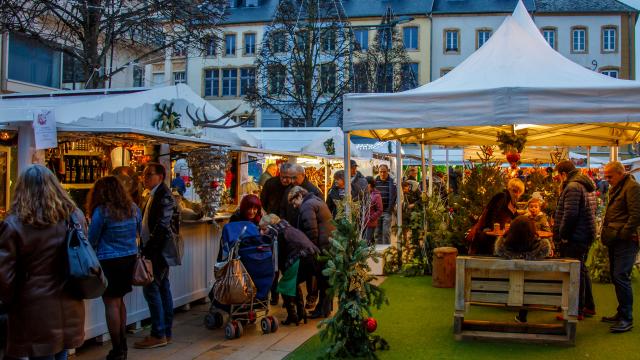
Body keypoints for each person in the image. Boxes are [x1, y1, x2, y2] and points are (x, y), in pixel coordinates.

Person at [0, 165, 85, 360]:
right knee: (60, 354)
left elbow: (4, 278)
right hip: (69, 304)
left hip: (34, 310)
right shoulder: (73, 217)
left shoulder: (14, 225)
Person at [87, 176, 141, 360]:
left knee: (111, 303)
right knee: (120, 302)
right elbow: (138, 231)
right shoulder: (133, 208)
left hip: (109, 260)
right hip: (128, 258)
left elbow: (92, 238)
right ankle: (123, 344)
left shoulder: (102, 211)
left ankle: (117, 349)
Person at [135, 163, 179, 349]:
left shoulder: (164, 196)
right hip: (157, 250)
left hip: (158, 252)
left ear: (160, 176)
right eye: (144, 175)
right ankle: (164, 332)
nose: (145, 178)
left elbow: (162, 227)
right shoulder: (154, 195)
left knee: (153, 289)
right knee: (161, 288)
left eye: (149, 175)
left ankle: (159, 333)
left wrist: (149, 250)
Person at [553, 160, 597, 321]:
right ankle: (588, 306)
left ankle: (575, 310)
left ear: (564, 174)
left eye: (558, 175)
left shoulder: (572, 187)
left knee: (574, 274)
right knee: (582, 270)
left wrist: (563, 235)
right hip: (585, 233)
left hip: (575, 236)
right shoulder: (586, 184)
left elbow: (570, 214)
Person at [600, 161, 640, 333]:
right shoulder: (619, 186)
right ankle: (621, 312)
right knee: (617, 276)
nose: (606, 179)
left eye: (609, 176)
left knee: (620, 276)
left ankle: (627, 318)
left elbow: (636, 214)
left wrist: (624, 233)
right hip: (616, 238)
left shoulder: (632, 187)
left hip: (626, 240)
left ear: (620, 173)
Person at [260, 214, 319, 326]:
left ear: (271, 227)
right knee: (293, 284)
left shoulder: (278, 234)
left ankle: (292, 316)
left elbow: (280, 258)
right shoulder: (287, 228)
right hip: (311, 257)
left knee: (284, 287)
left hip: (299, 258)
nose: (262, 233)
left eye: (264, 229)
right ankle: (302, 313)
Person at [289, 186, 336, 318]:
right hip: (329, 243)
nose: (294, 206)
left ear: (299, 196)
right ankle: (325, 308)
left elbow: (312, 231)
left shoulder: (306, 206)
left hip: (321, 246)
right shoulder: (316, 200)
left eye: (294, 202)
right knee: (325, 279)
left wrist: (311, 250)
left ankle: (322, 310)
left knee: (323, 279)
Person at [494, 216, 552, 323]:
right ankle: (523, 314)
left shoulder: (503, 249)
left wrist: (503, 236)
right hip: (536, 290)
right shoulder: (541, 250)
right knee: (529, 283)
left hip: (504, 288)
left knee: (518, 280)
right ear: (533, 231)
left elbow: (499, 247)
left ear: (511, 230)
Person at [469, 178, 524, 255]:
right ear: (509, 189)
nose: (517, 194)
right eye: (515, 191)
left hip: (498, 234)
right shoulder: (502, 197)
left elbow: (516, 217)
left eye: (519, 192)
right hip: (490, 234)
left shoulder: (512, 203)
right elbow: (492, 214)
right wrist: (493, 228)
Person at [374, 164, 397, 245]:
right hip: (377, 212)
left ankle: (386, 250)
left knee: (386, 232)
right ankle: (378, 250)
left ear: (388, 171)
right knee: (377, 232)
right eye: (381, 172)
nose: (382, 174)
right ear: (378, 172)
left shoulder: (392, 182)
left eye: (384, 172)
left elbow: (395, 196)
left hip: (387, 211)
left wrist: (390, 209)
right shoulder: (375, 182)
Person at [365, 176, 383, 245]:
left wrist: (371, 218)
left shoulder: (376, 195)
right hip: (364, 222)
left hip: (371, 222)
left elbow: (380, 210)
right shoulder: (365, 193)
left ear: (369, 184)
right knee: (370, 241)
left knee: (367, 242)